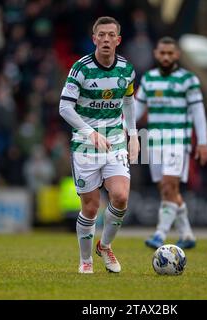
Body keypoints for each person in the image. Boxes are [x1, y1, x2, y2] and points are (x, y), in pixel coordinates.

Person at [59, 16, 139, 274]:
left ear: (118, 40)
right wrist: (89, 131)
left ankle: (104, 246)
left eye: (110, 35)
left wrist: (134, 135)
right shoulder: (80, 68)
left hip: (115, 141)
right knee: (91, 208)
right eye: (101, 35)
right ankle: (86, 260)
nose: (106, 39)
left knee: (121, 197)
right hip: (85, 144)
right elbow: (64, 107)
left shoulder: (126, 69)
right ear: (94, 39)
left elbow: (129, 101)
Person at [136, 37, 207, 249]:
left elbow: (198, 111)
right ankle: (187, 234)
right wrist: (124, 128)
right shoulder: (149, 79)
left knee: (170, 185)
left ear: (177, 55)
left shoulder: (188, 80)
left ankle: (160, 234)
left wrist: (202, 142)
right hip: (154, 142)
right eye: (162, 53)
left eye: (170, 53)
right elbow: (138, 108)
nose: (166, 57)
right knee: (167, 191)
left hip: (178, 141)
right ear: (156, 54)